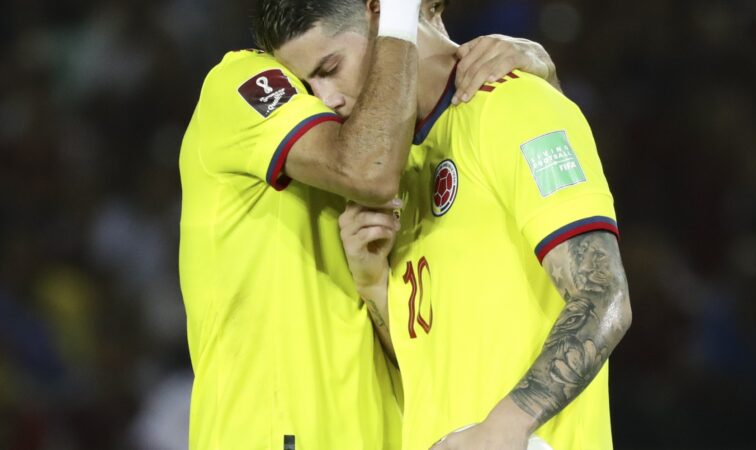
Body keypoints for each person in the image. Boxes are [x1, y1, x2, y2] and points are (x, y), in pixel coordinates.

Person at [180, 0, 562, 447]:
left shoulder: (416, 145)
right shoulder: (239, 82)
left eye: (331, 69)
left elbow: (427, 345)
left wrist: (539, 74)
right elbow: (367, 170)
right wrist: (398, 17)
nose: (326, 97)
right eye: (315, 78)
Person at [257, 1, 632, 449]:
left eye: (331, 68)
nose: (326, 100)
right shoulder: (395, 175)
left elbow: (602, 294)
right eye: (308, 86)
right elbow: (429, 368)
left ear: (382, 15)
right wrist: (375, 284)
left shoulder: (514, 103)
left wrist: (505, 427)